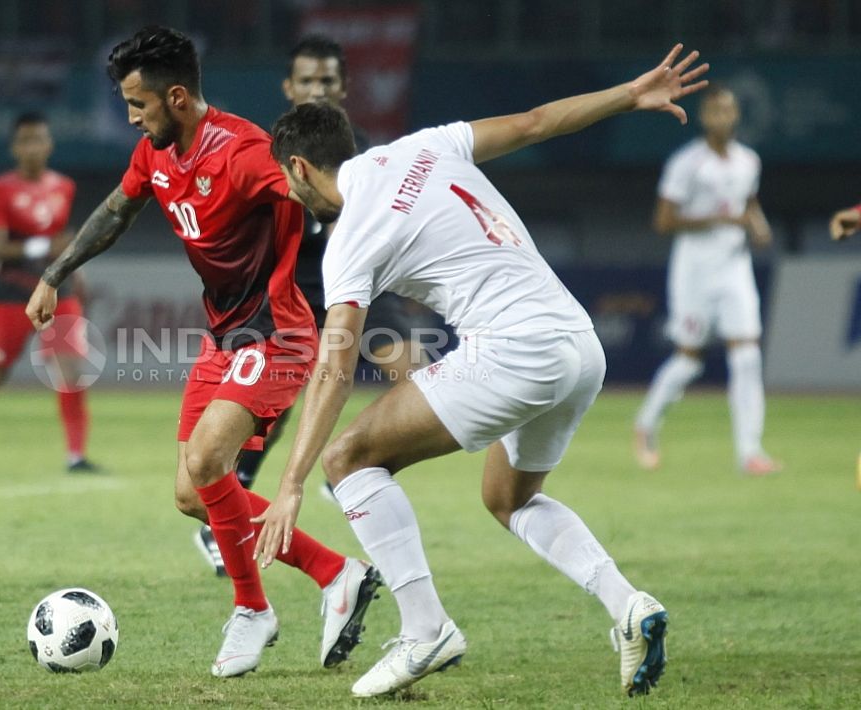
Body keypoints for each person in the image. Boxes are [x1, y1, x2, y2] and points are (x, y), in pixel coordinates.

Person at [253, 44, 710, 698]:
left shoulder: (349, 236)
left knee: (347, 460)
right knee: (509, 498)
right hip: (579, 345)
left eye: (286, 180)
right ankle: (630, 607)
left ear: (298, 166)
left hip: (514, 351)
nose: (290, 192)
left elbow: (332, 366)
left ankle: (424, 629)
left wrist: (292, 481)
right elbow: (532, 123)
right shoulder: (426, 146)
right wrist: (626, 95)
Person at [24, 26, 381, 678]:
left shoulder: (245, 153)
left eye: (139, 105)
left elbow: (327, 192)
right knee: (193, 492)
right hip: (226, 339)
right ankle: (336, 572)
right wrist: (57, 273)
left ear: (179, 97)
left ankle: (253, 608)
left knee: (208, 456)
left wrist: (358, 219)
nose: (132, 117)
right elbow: (116, 210)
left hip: (279, 333)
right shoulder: (156, 154)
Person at [193, 34, 423, 576]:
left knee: (415, 373)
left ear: (343, 87)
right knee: (275, 406)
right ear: (289, 87)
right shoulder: (267, 148)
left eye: (327, 80)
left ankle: (351, 457)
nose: (317, 88)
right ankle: (226, 514)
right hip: (294, 288)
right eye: (307, 80)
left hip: (357, 286)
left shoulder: (363, 148)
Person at [633, 85, 780, 476]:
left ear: (736, 115)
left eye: (728, 110)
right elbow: (663, 221)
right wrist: (717, 219)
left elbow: (749, 203)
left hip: (735, 266)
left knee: (747, 355)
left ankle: (750, 451)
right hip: (694, 269)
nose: (722, 118)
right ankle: (646, 424)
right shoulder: (687, 163)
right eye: (715, 111)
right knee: (689, 359)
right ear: (704, 117)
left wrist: (758, 226)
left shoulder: (749, 160)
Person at [0, 112, 97, 474]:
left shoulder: (64, 187)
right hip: (14, 292)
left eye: (39, 139)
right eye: (25, 140)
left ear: (49, 145)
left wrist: (77, 274)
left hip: (56, 288)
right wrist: (45, 245)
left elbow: (66, 244)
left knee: (70, 371)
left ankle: (76, 456)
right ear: (15, 147)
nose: (33, 147)